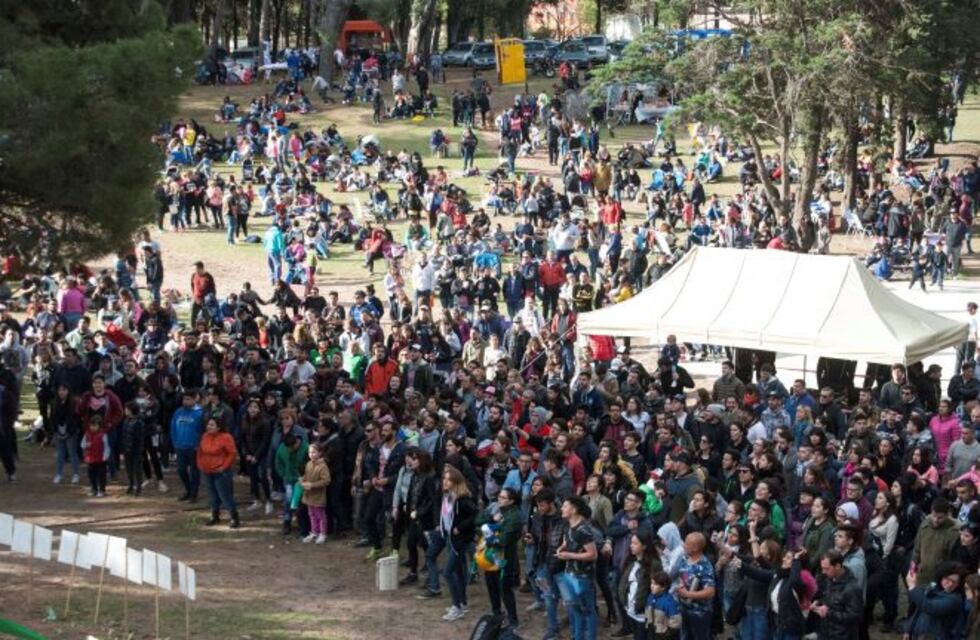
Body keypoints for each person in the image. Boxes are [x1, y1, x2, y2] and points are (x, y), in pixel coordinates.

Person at [477, 486, 522, 629]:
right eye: (499, 497)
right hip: (491, 555)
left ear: (511, 501)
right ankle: (497, 614)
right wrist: (490, 518)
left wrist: (488, 535)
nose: (499, 500)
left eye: (503, 498)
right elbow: (477, 521)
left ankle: (513, 620)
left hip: (505, 556)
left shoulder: (515, 516)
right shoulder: (496, 509)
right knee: (491, 584)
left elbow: (504, 541)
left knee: (505, 588)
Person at [437, 465, 478, 622]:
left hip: (458, 541)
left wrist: (459, 528)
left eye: (449, 479)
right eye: (444, 479)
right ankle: (462, 602)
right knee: (459, 571)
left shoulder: (462, 500)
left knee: (448, 572)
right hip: (450, 538)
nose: (445, 482)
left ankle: (457, 607)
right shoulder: (448, 496)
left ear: (456, 482)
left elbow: (475, 515)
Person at [557, 494, 599, 640]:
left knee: (588, 611)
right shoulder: (568, 524)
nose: (562, 508)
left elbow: (593, 554)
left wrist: (569, 555)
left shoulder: (583, 529)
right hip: (569, 573)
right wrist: (562, 548)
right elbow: (568, 540)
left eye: (565, 506)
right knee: (575, 610)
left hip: (582, 577)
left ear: (574, 510)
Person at [904, 561, 967, 640]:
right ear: (941, 576)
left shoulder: (955, 599)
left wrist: (912, 587)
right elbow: (919, 610)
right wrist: (908, 629)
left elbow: (931, 607)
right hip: (918, 634)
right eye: (947, 579)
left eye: (954, 582)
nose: (950, 584)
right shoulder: (933, 587)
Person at [196, 416, 239, 528]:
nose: (209, 427)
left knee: (225, 495)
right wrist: (200, 464)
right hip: (206, 470)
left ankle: (234, 517)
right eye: (208, 424)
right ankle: (215, 516)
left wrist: (223, 467)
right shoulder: (205, 436)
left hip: (220, 471)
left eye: (212, 425)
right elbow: (200, 452)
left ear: (219, 427)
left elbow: (232, 453)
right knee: (212, 495)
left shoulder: (226, 437)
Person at [813, 550, 864, 640]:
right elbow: (829, 598)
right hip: (825, 633)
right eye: (822, 568)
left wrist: (828, 613)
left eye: (827, 568)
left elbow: (856, 617)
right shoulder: (829, 579)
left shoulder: (852, 589)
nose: (823, 572)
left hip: (842, 636)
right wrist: (818, 602)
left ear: (837, 566)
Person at [674, 532, 716, 640]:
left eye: (687, 544)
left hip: (699, 614)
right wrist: (681, 585)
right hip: (684, 609)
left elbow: (710, 591)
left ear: (696, 547)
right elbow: (682, 576)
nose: (684, 545)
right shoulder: (684, 559)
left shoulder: (705, 565)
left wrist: (688, 594)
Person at [170, 389, 204, 503]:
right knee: (181, 470)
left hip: (194, 447)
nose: (185, 401)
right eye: (184, 399)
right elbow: (173, 427)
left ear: (195, 399)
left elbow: (203, 431)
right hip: (180, 446)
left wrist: (199, 445)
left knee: (195, 471)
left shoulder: (200, 413)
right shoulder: (178, 412)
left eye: (188, 399)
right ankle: (188, 490)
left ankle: (194, 493)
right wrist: (175, 442)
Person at [300, 442, 331, 543]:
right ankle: (314, 532)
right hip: (309, 495)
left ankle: (322, 533)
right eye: (310, 452)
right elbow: (306, 475)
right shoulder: (308, 464)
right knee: (311, 514)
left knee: (320, 515)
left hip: (318, 495)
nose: (311, 454)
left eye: (314, 452)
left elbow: (326, 480)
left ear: (320, 453)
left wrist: (312, 485)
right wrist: (303, 480)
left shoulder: (322, 466)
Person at [80, 414, 110, 497]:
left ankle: (102, 490)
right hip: (90, 458)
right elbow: (82, 444)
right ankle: (94, 489)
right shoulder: (87, 434)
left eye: (94, 425)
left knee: (101, 475)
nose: (92, 427)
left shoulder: (103, 435)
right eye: (91, 425)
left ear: (99, 426)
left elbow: (106, 447)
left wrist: (105, 456)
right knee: (92, 475)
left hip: (100, 459)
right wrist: (86, 446)